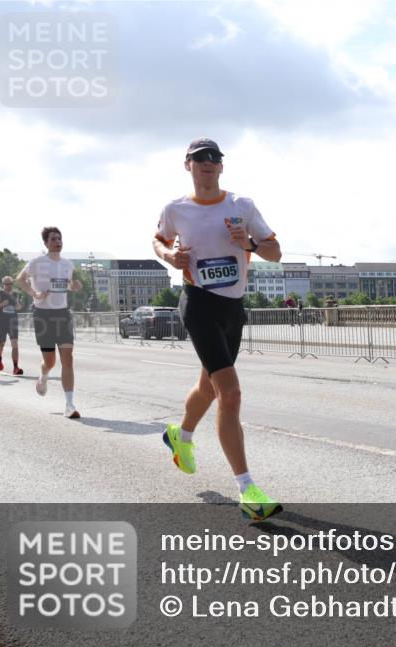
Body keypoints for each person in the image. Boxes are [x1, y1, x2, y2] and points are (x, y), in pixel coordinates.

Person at [153, 137, 283, 521]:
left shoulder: (241, 205)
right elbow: (158, 242)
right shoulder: (176, 209)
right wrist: (170, 257)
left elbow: (276, 252)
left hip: (233, 308)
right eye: (199, 158)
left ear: (221, 167)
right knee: (230, 392)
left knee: (209, 385)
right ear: (187, 165)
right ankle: (248, 489)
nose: (207, 163)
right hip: (198, 303)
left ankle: (181, 435)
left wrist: (253, 244)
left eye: (214, 158)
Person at [16, 227, 82, 418]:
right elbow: (20, 280)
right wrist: (35, 293)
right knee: (50, 362)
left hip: (63, 314)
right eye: (53, 238)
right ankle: (43, 375)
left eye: (60, 238)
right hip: (42, 314)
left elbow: (69, 283)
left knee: (68, 358)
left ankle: (69, 405)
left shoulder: (68, 264)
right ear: (46, 243)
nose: (58, 241)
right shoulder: (37, 262)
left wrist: (74, 285)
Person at [0, 276, 23, 375]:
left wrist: (18, 306)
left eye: (10, 284)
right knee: (2, 343)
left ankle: (16, 367)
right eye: (7, 284)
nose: (9, 286)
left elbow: (20, 307)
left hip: (13, 321)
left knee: (15, 344)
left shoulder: (16, 294)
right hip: (1, 322)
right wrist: (1, 304)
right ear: (3, 284)